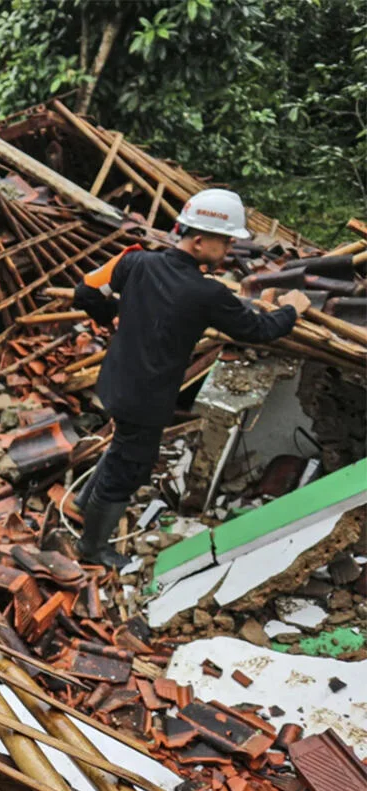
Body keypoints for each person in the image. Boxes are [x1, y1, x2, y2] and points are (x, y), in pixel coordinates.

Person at [71, 188, 310, 568]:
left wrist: (113, 314)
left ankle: (85, 502)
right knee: (129, 466)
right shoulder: (206, 294)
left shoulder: (134, 262)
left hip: (115, 381)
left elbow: (83, 292)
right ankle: (92, 547)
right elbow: (260, 330)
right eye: (226, 241)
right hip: (148, 397)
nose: (230, 249)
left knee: (124, 443)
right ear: (200, 240)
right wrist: (292, 311)